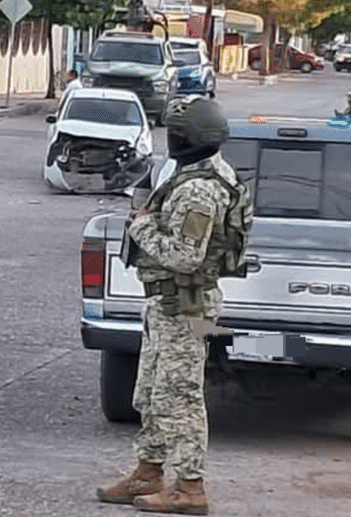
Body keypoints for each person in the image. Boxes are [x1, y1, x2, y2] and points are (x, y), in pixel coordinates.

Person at [97, 96, 251, 516]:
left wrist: (142, 225)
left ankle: (190, 485)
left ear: (191, 138)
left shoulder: (199, 189)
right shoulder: (191, 175)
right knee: (151, 392)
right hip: (168, 304)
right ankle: (148, 472)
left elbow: (185, 255)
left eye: (177, 133)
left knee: (179, 396)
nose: (171, 139)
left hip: (187, 306)